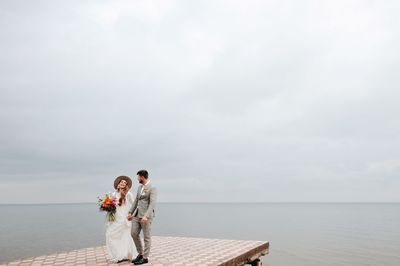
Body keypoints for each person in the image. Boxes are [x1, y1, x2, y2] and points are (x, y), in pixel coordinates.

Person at [127, 170, 157, 265]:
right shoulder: (139, 187)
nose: (137, 179)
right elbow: (136, 200)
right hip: (136, 215)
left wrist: (146, 216)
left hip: (146, 217)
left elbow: (152, 204)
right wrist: (130, 212)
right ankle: (140, 253)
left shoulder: (152, 188)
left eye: (138, 177)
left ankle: (145, 258)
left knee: (146, 237)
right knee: (133, 233)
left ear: (142, 177)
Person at [105, 175, 135, 263]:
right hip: (116, 218)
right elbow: (110, 206)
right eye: (121, 182)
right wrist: (107, 207)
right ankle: (118, 254)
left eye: (125, 183)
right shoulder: (113, 194)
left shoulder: (128, 194)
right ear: (118, 184)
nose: (123, 183)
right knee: (110, 234)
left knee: (126, 236)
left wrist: (132, 215)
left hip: (125, 218)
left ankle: (128, 254)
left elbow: (134, 205)